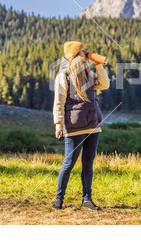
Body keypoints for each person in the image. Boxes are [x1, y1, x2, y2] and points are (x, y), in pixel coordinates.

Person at [52, 41, 109, 211]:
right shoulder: (63, 75)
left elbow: (104, 85)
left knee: (88, 164)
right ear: (75, 55)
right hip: (74, 125)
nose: (87, 54)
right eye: (84, 52)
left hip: (93, 123)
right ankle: (59, 198)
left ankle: (87, 199)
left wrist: (99, 66)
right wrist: (59, 125)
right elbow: (58, 101)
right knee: (69, 162)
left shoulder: (88, 74)